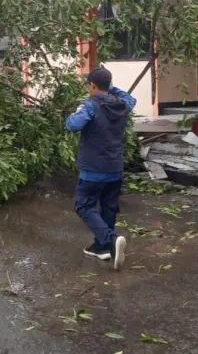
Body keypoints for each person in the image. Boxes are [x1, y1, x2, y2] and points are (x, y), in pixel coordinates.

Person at [65, 66, 136, 270]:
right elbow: (131, 98)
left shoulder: (89, 106)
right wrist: (110, 88)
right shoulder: (122, 104)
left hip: (94, 169)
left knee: (84, 205)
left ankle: (110, 238)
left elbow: (72, 125)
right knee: (109, 206)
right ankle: (102, 247)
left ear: (92, 85)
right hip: (115, 167)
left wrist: (74, 113)